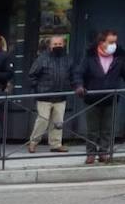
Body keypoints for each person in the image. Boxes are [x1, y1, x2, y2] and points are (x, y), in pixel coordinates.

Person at [73, 29, 124, 164]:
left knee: (107, 129)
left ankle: (103, 152)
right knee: (92, 129)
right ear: (102, 42)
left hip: (110, 98)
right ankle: (91, 153)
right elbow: (79, 73)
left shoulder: (119, 58)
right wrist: (79, 86)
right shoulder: (90, 57)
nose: (114, 45)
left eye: (115, 42)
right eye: (111, 42)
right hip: (92, 98)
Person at [27, 36, 72, 154]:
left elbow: (72, 74)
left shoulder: (67, 59)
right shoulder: (42, 59)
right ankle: (33, 142)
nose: (58, 46)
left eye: (60, 44)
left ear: (64, 44)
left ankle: (56, 144)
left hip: (61, 96)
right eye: (55, 44)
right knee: (42, 121)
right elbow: (32, 75)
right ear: (50, 45)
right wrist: (37, 89)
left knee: (58, 122)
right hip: (44, 96)